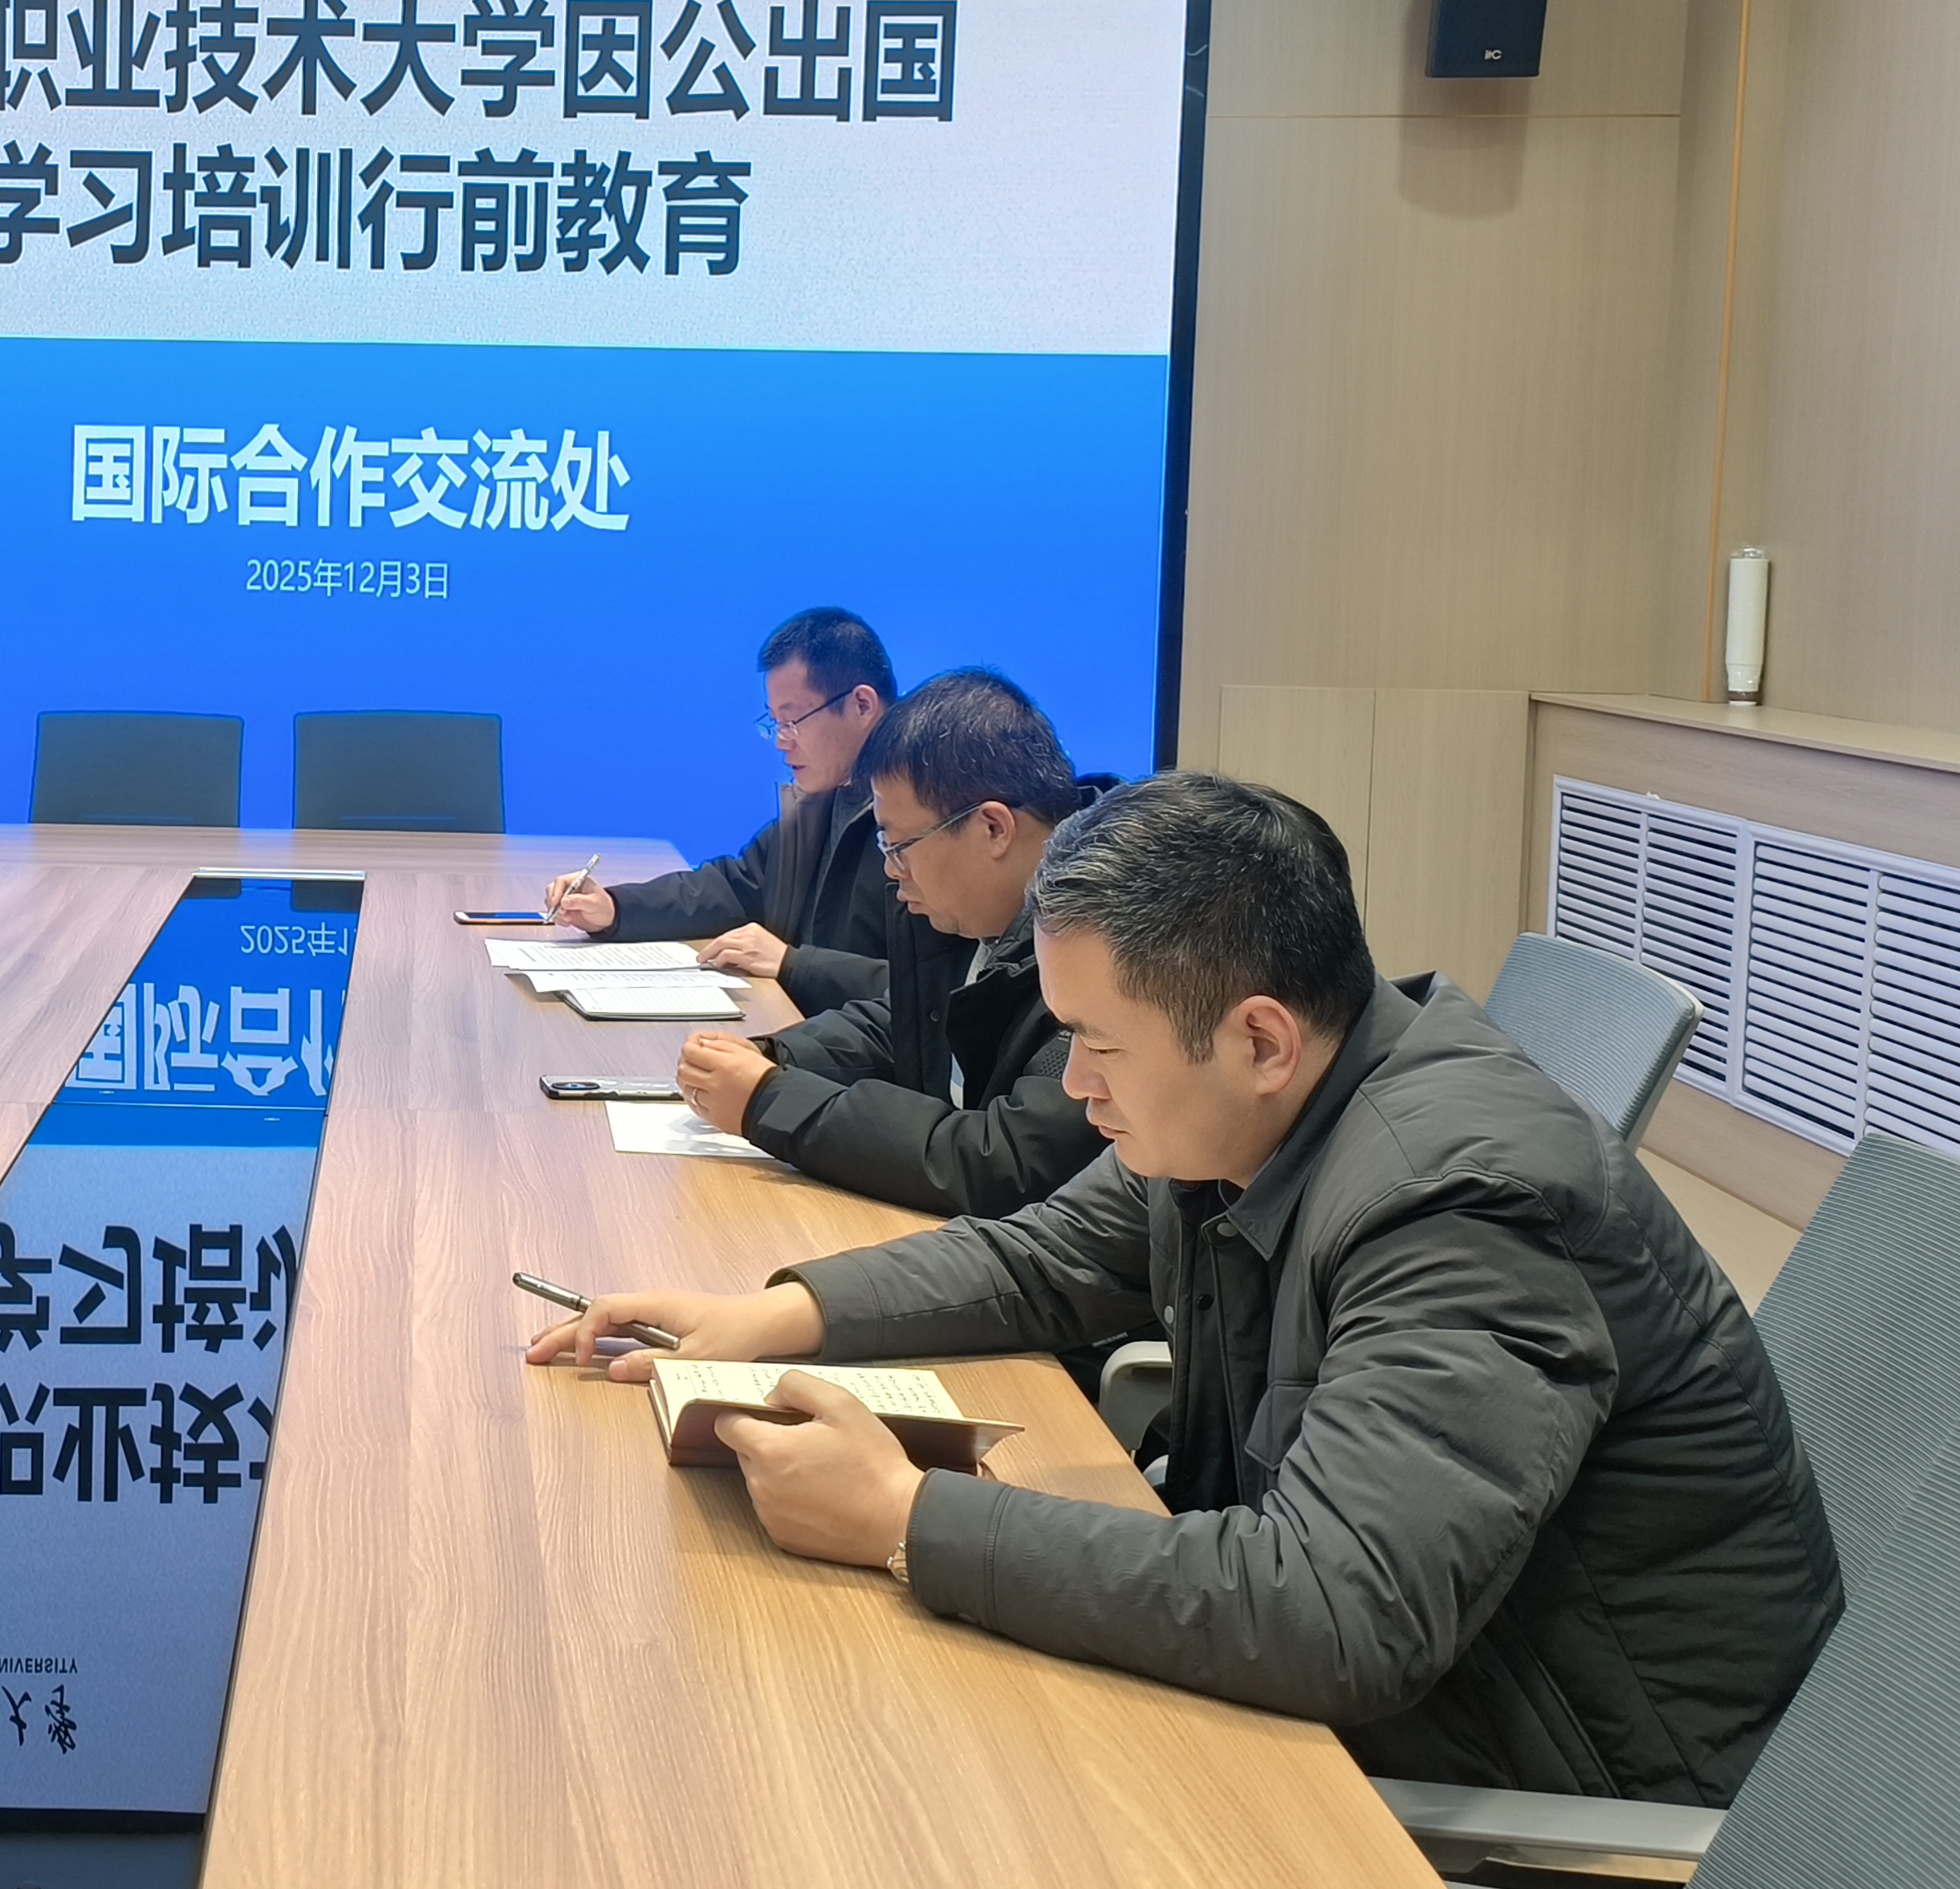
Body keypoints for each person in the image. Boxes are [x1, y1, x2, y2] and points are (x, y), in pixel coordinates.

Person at [530, 773, 1841, 1805]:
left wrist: (902, 1517)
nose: (1075, 1086)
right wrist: (770, 1314)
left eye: (1097, 1045)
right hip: (1410, 1691)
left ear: (1260, 1035)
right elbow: (1044, 1253)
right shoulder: (1259, 1102)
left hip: (1554, 1779)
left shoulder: (1461, 1201)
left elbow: (1339, 1609)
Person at [670, 668, 1107, 1218]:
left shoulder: (1103, 940)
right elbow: (904, 1022)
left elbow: (1008, 1163)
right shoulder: (976, 913)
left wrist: (769, 1100)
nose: (891, 869)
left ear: (993, 829)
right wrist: (772, 1057)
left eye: (899, 846)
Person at [541, 607, 962, 1015]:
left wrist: (793, 964)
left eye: (793, 721)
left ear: (862, 705)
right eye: (774, 723)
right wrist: (615, 909)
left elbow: (940, 993)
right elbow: (736, 887)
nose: (781, 741)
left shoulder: (929, 816)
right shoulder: (826, 797)